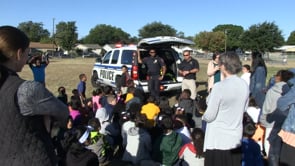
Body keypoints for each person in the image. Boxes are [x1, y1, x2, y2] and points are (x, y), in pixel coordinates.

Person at [0, 25, 69, 165]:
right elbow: (63, 112)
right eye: (27, 52)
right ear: (19, 54)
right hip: (30, 158)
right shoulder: (26, 90)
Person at [202, 52, 249, 166]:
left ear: (223, 66)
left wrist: (203, 114)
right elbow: (244, 108)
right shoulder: (243, 84)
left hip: (218, 140)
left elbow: (210, 115)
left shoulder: (219, 87)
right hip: (235, 137)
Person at [260, 69, 294, 158]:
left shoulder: (272, 90)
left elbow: (267, 107)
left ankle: (268, 158)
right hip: (285, 119)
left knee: (269, 141)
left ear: (279, 77)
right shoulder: (290, 89)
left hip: (271, 118)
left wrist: (264, 116)